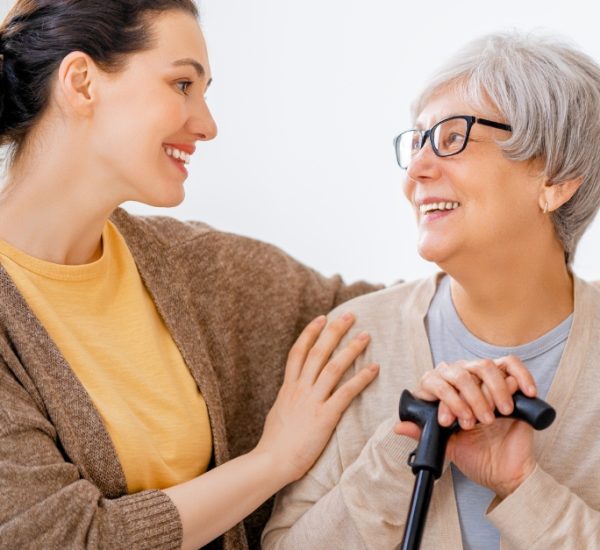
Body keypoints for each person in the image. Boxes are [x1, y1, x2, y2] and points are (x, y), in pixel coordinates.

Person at [0, 2, 383, 549]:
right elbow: (68, 538)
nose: (206, 125)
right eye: (182, 84)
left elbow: (373, 314)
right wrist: (274, 461)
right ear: (82, 82)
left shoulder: (190, 265)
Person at [263, 31, 600, 549]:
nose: (417, 170)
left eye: (452, 138)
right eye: (418, 141)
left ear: (556, 177)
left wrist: (521, 488)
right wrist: (397, 455)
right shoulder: (355, 341)